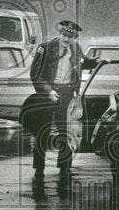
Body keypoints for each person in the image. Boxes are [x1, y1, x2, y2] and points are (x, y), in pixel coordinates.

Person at [28, 19, 100, 183]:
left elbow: (84, 62)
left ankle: (64, 166)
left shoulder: (76, 49)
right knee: (43, 131)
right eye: (65, 35)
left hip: (67, 93)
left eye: (71, 36)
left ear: (75, 37)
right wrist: (48, 91)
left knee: (66, 131)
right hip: (48, 94)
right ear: (60, 33)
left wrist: (99, 61)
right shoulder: (45, 48)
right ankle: (39, 169)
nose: (67, 39)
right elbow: (35, 74)